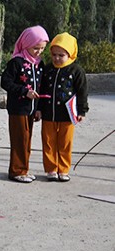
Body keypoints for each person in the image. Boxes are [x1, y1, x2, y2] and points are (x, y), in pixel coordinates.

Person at [0, 25, 49, 183]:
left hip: (31, 110)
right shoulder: (16, 62)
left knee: (27, 140)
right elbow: (5, 82)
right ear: (26, 44)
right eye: (36, 48)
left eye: (42, 48)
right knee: (19, 140)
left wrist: (39, 108)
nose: (39, 51)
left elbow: (42, 87)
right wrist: (23, 91)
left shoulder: (40, 64)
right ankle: (16, 171)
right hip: (18, 109)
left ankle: (24, 169)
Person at [38, 32, 88, 182]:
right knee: (48, 142)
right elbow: (41, 90)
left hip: (68, 114)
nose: (57, 58)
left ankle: (63, 170)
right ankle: (51, 169)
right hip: (48, 114)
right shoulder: (47, 70)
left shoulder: (76, 71)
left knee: (65, 143)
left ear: (70, 54)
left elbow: (82, 92)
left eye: (61, 55)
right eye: (54, 54)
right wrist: (39, 109)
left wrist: (82, 111)